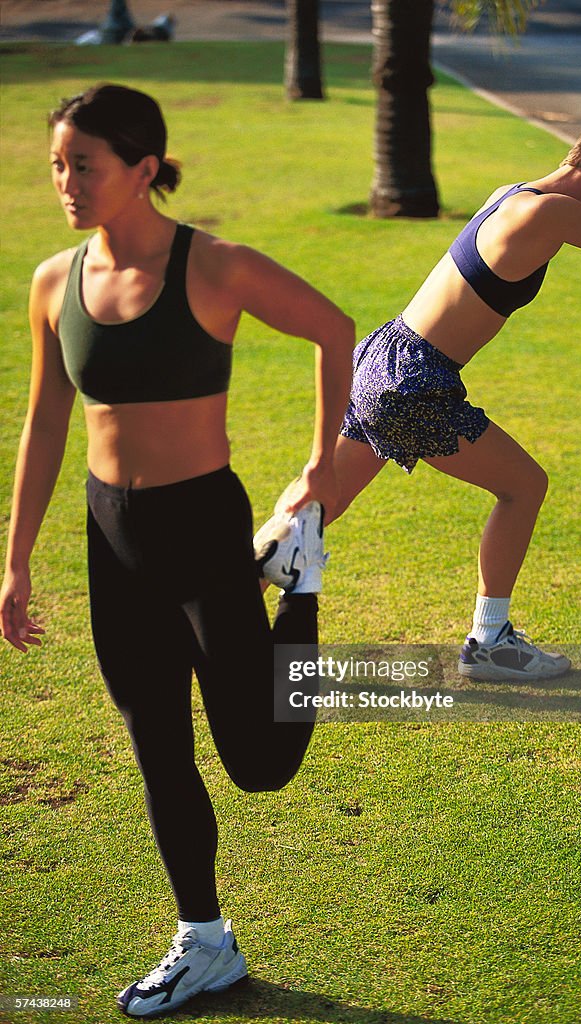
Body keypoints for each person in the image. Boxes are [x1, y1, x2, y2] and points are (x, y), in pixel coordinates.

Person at [0, 83, 354, 1018]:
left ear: (144, 169)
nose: (67, 182)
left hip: (202, 527)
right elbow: (44, 424)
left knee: (258, 761)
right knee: (157, 744)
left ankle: (300, 590)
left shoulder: (215, 268)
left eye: (86, 165)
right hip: (110, 535)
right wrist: (16, 559)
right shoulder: (54, 280)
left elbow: (333, 329)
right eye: (58, 165)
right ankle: (205, 942)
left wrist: (320, 462)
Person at [276, 121, 581, 681]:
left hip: (383, 357)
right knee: (524, 487)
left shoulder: (510, 194)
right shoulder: (546, 214)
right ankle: (489, 641)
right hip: (414, 380)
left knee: (319, 506)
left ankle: (217, 611)